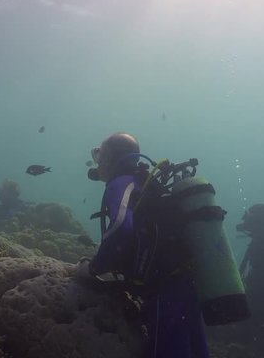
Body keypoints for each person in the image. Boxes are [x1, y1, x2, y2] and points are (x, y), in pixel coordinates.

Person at [76, 132, 210, 358]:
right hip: (186, 283)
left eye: (100, 153)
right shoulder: (145, 184)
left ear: (109, 157)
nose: (98, 161)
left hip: (164, 290)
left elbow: (121, 226)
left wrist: (94, 268)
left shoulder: (121, 183)